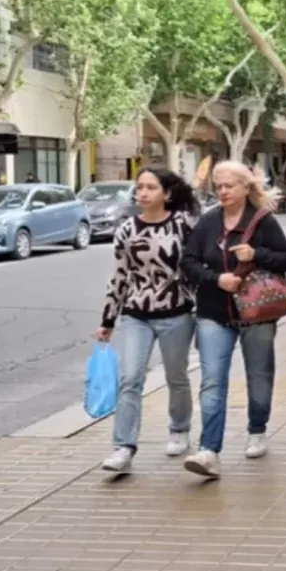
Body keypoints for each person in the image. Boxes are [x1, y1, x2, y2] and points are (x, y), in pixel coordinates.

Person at [181, 160, 286, 479]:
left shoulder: (263, 222)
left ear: (246, 187)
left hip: (256, 314)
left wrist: (256, 254)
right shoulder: (207, 222)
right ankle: (209, 450)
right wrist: (216, 279)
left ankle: (257, 428)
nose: (222, 191)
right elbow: (188, 262)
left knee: (259, 375)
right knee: (212, 380)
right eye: (218, 185)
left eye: (229, 185)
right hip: (213, 313)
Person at [96, 166, 200, 474]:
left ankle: (179, 428)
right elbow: (118, 275)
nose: (142, 193)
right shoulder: (127, 228)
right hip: (136, 314)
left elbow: (196, 266)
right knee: (130, 378)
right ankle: (123, 447)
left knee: (176, 377)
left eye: (150, 187)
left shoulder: (183, 224)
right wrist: (108, 318)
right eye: (139, 187)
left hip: (177, 313)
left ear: (166, 194)